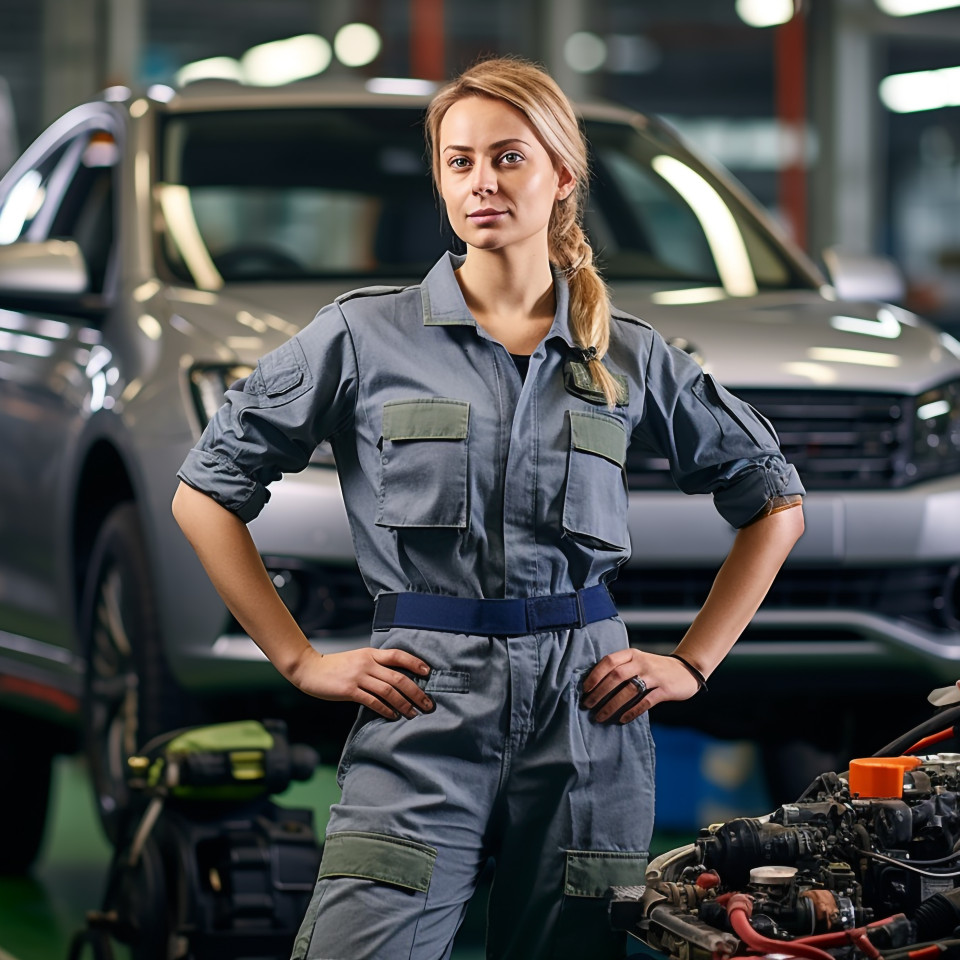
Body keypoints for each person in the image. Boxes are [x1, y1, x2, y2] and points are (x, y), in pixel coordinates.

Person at [172, 56, 805, 960]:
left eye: (509, 158)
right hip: (423, 702)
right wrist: (300, 660)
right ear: (439, 178)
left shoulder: (625, 351)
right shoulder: (360, 335)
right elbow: (204, 494)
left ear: (561, 178)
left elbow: (774, 504)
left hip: (590, 714)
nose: (482, 183)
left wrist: (694, 664)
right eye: (460, 162)